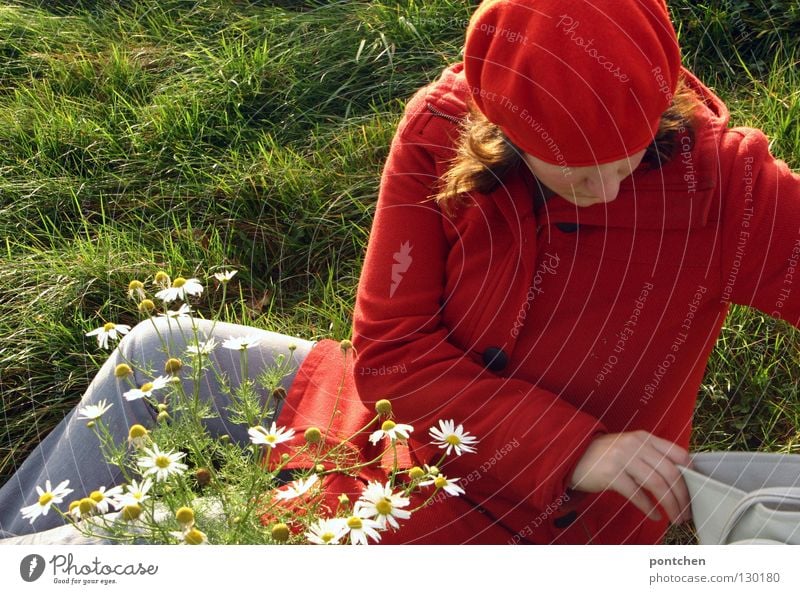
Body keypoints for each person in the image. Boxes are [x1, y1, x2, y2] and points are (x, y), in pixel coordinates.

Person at [2, 0, 799, 545]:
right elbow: (387, 345)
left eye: (619, 161)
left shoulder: (725, 189)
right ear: (504, 126)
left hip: (515, 527)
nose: (603, 188)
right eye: (568, 169)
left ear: (660, 98)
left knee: (120, 542)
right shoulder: (441, 125)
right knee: (155, 349)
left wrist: (574, 455)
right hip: (382, 424)